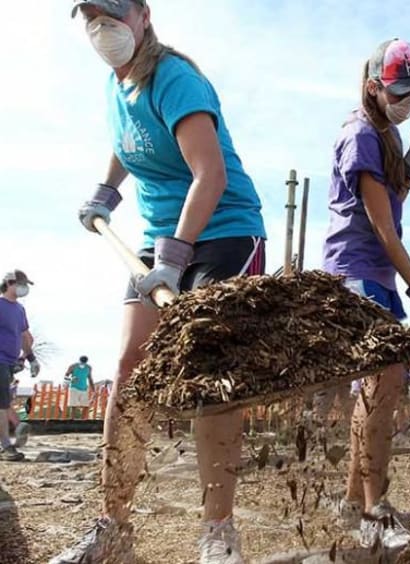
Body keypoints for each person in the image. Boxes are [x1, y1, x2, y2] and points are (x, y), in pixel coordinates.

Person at [54, 2, 266, 563]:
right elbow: (131, 141)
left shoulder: (175, 77)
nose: (103, 27)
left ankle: (218, 533)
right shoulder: (113, 85)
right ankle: (112, 527)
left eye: (114, 12)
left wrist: (175, 259)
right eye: (91, 16)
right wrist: (107, 189)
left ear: (143, 15)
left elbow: (211, 175)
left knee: (209, 373)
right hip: (158, 233)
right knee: (129, 365)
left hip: (224, 229)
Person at [322, 38, 410, 549]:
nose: (407, 101)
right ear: (372, 88)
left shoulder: (385, 135)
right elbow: (383, 227)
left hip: (375, 272)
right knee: (382, 385)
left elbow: (395, 198)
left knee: (379, 390)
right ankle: (373, 511)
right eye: (399, 92)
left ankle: (354, 503)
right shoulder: (360, 135)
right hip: (356, 270)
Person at [0, 270, 40, 462]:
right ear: (9, 283)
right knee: (2, 404)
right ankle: (7, 446)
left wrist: (31, 358)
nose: (25, 288)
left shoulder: (20, 310)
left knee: (3, 401)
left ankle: (13, 431)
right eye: (22, 284)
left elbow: (25, 336)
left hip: (9, 362)